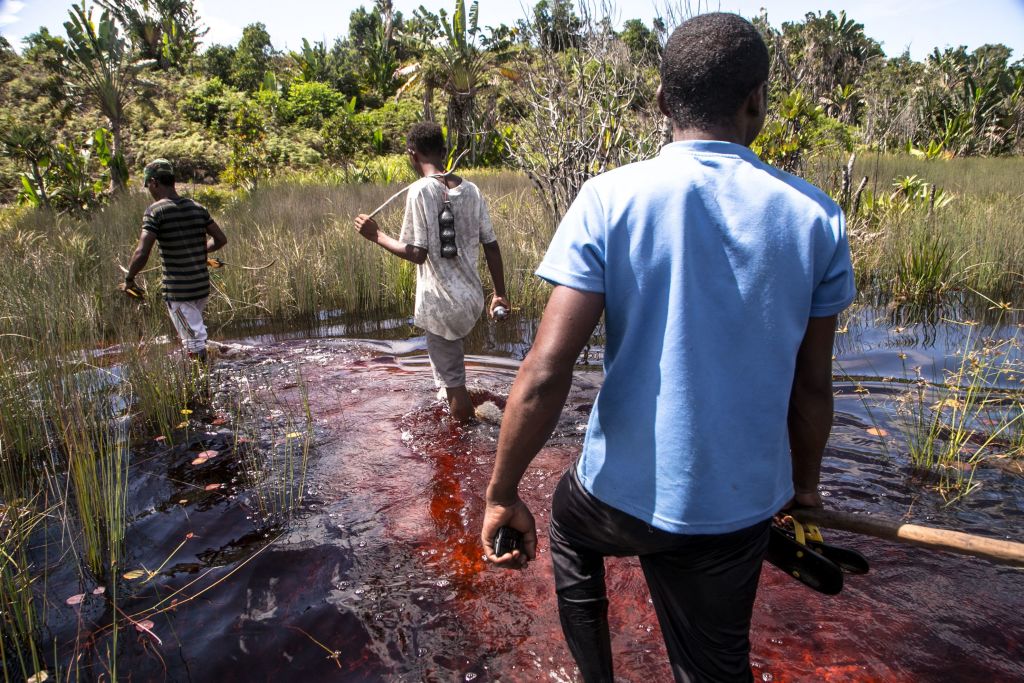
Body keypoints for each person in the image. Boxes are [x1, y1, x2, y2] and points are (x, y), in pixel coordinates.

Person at [480, 12, 855, 683]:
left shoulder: (608, 198)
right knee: (712, 667)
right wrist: (802, 491)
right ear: (755, 101)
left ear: (661, 103)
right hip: (736, 513)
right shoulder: (815, 216)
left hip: (618, 501)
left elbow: (544, 371)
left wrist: (502, 493)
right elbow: (811, 388)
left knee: (567, 524)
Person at [354, 122, 509, 422]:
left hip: (442, 306)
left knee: (455, 388)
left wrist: (376, 236)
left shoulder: (420, 191)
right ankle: (461, 408)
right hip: (471, 300)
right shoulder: (472, 190)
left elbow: (416, 252)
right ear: (443, 151)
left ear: (412, 154)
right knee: (449, 370)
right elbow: (491, 244)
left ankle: (466, 442)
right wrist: (499, 294)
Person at [122, 158, 228, 367]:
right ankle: (204, 372)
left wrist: (129, 278)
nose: (149, 190)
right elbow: (220, 239)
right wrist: (198, 250)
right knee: (194, 333)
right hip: (201, 288)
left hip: (180, 292)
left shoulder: (155, 211)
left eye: (148, 186)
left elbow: (142, 251)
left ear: (154, 182)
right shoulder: (197, 208)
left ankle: (202, 384)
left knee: (193, 340)